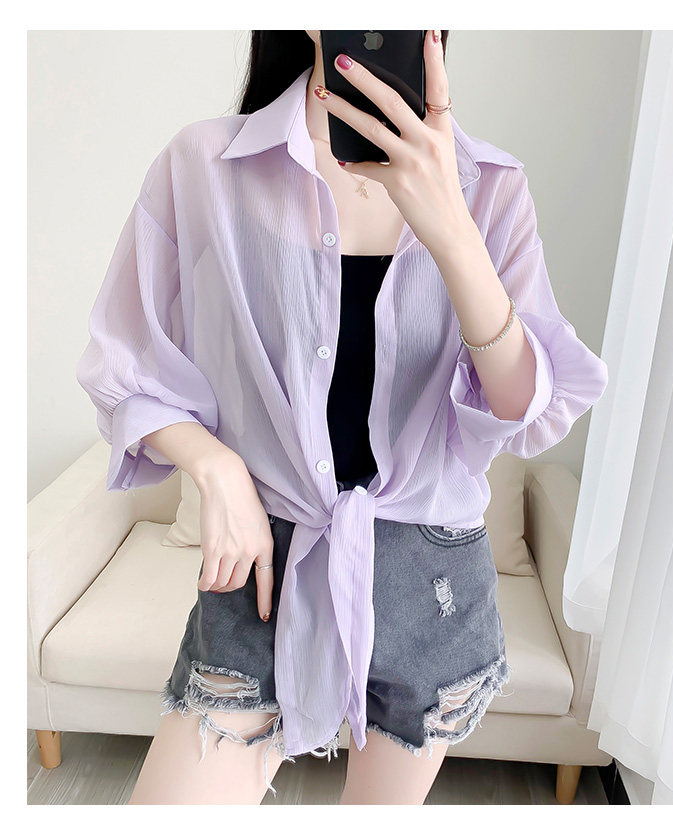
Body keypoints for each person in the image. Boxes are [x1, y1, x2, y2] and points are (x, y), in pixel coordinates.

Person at [76, 30, 608, 804]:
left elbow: (524, 408)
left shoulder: (491, 187)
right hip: (263, 569)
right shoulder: (205, 165)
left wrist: (450, 226)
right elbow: (123, 363)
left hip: (429, 582)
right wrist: (214, 467)